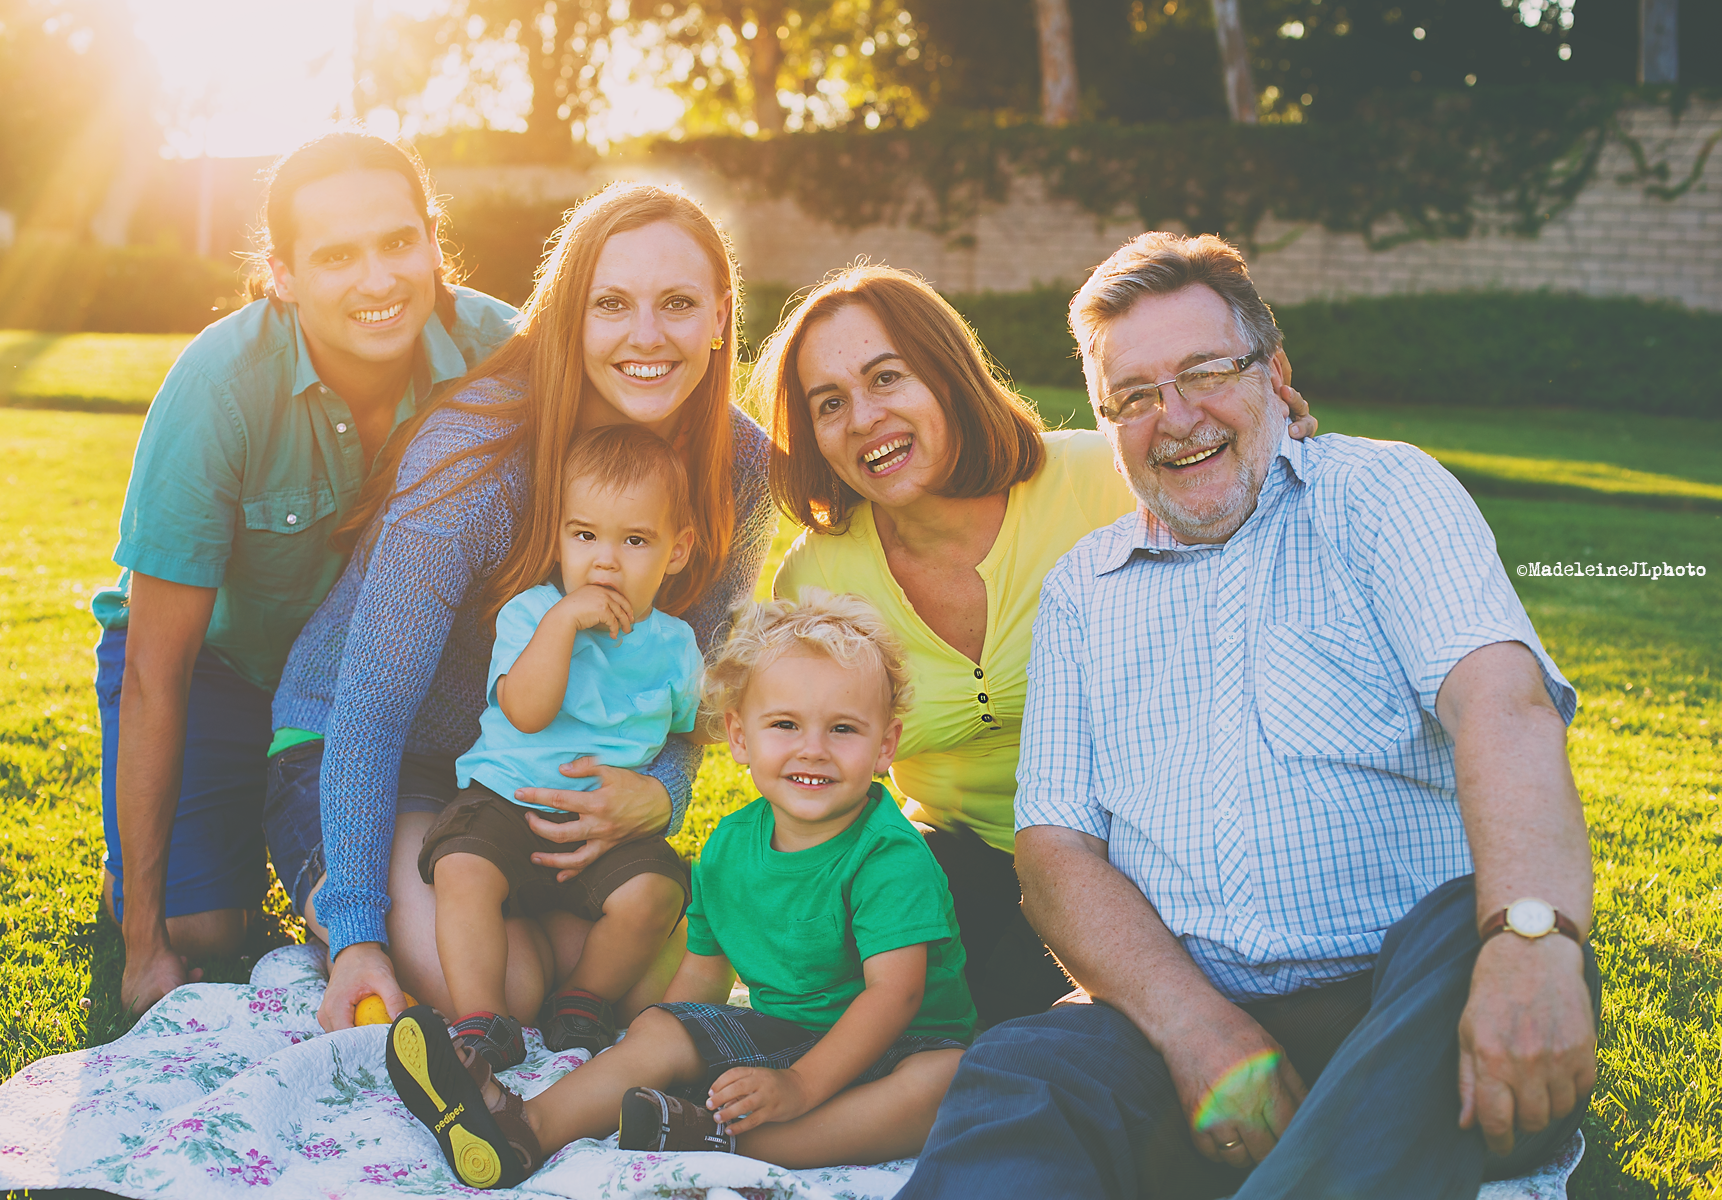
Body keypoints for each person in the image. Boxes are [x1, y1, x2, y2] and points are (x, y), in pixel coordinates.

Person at [900, 232, 1601, 1200]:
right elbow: (1056, 858)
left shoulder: (1383, 495)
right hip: (1190, 1019)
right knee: (1024, 1074)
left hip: (1408, 998)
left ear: (1275, 374)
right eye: (1134, 397)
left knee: (1460, 937)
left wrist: (1531, 943)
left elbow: (1504, 707)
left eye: (1204, 373)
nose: (1175, 418)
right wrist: (1194, 1028)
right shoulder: (1081, 594)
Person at [263, 180, 776, 1035]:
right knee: (513, 987)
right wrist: (355, 932)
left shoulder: (743, 466)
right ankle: (387, 897)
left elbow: (691, 686)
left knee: (666, 967)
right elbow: (371, 708)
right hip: (368, 757)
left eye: (678, 304)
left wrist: (661, 794)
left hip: (538, 777)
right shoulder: (480, 447)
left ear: (722, 315)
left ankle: (529, 926)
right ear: (570, 314)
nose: (646, 337)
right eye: (611, 304)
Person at [760, 265, 1315, 1025]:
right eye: (829, 404)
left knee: (1025, 1021)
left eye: (886, 378)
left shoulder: (1096, 478)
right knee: (875, 995)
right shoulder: (816, 578)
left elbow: (1247, 505)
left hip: (1141, 851)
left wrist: (1278, 434)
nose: (862, 418)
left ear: (948, 376)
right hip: (960, 859)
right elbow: (816, 772)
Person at [91, 130, 517, 1015]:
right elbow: (155, 673)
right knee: (204, 933)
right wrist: (143, 950)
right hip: (219, 672)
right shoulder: (219, 386)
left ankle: (275, 828)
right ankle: (146, 861)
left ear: (434, 241)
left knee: (444, 919)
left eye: (399, 242)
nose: (378, 280)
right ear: (283, 274)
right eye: (336, 256)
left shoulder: (503, 352)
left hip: (381, 690)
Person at [384, 590, 977, 1190]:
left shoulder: (889, 857)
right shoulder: (729, 847)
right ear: (740, 739)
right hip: (787, 1034)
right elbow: (703, 975)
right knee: (666, 1030)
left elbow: (893, 997)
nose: (813, 749)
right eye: (785, 725)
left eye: (843, 728)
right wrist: (660, 1036)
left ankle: (732, 1139)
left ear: (885, 745)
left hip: (901, 1045)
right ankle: (522, 1125)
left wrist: (799, 1085)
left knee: (949, 1080)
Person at [423, 423, 703, 1065]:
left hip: (605, 828)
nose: (605, 561)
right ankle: (479, 1018)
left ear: (677, 550)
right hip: (503, 800)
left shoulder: (674, 646)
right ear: (560, 537)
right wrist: (564, 622)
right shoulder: (531, 613)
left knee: (657, 892)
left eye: (634, 540)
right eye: (585, 536)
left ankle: (582, 1000)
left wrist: (657, 790)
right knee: (461, 870)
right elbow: (524, 710)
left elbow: (693, 731)